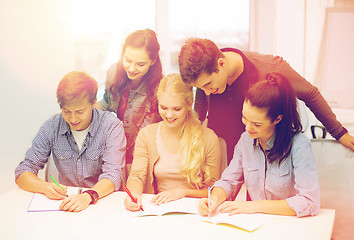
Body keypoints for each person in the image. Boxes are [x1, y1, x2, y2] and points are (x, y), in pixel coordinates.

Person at [179, 38, 354, 163]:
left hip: (267, 162)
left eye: (208, 85)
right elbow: (200, 105)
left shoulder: (269, 69)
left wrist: (340, 133)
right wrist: (193, 131)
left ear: (221, 64)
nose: (207, 92)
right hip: (229, 164)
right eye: (200, 88)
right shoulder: (206, 77)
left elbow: (311, 94)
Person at [198, 72, 320, 217]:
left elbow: (309, 201)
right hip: (255, 225)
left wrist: (254, 206)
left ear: (277, 119)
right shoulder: (245, 140)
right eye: (244, 117)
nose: (247, 128)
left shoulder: (299, 146)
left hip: (288, 225)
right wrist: (214, 199)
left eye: (257, 124)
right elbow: (229, 181)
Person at [15, 71, 126, 212]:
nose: (73, 119)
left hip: (101, 204)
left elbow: (113, 175)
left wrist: (87, 197)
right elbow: (22, 172)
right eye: (66, 111)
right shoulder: (52, 126)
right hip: (66, 205)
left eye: (80, 112)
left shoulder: (111, 126)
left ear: (93, 103)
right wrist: (45, 187)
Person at [124, 74, 221, 211]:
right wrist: (133, 194)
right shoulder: (147, 135)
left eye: (176, 109)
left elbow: (214, 190)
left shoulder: (209, 138)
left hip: (195, 211)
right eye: (163, 108)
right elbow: (137, 176)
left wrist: (182, 192)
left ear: (189, 104)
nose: (169, 115)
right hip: (157, 209)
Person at [96, 29, 163, 174]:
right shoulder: (113, 72)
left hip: (146, 155)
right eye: (128, 60)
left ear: (152, 61)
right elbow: (106, 104)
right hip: (117, 149)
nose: (131, 68)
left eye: (140, 64)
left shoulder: (160, 87)